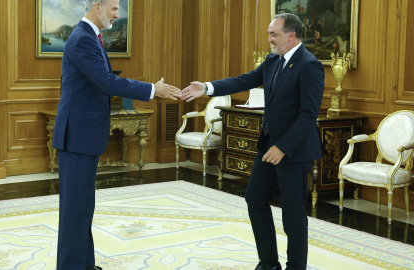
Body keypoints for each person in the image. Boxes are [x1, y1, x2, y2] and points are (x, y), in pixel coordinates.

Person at [181, 13, 325, 270]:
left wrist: (283, 147)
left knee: (293, 216)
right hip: (268, 145)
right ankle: (268, 263)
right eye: (269, 33)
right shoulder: (272, 61)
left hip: (293, 151)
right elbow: (244, 80)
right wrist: (206, 87)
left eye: (274, 34)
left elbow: (308, 115)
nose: (269, 39)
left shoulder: (309, 65)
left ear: (291, 35)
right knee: (255, 199)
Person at [52, 0, 181, 269]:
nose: (117, 14)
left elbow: (102, 81)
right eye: (114, 8)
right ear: (97, 6)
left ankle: (84, 264)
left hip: (82, 136)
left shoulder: (90, 36)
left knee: (82, 207)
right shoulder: (83, 39)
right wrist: (151, 90)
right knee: (75, 210)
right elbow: (107, 81)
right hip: (77, 137)